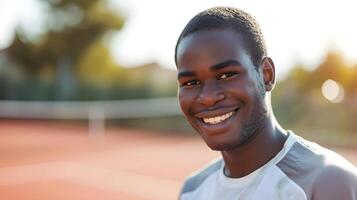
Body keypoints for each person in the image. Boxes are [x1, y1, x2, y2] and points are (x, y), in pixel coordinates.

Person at [174, 6, 357, 200]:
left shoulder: (326, 182)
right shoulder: (191, 191)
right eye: (191, 82)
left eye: (227, 75)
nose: (208, 97)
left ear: (266, 74)